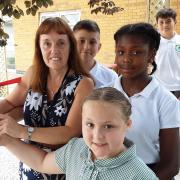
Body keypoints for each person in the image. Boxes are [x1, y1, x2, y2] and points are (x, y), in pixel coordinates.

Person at [0, 17, 94, 179]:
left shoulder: (83, 84)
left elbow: (70, 132)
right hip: (29, 164)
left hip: (62, 169)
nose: (54, 50)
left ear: (71, 46)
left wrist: (22, 131)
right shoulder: (33, 74)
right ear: (39, 47)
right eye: (47, 43)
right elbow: (10, 102)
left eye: (61, 43)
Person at [0, 87, 158, 180]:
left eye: (108, 126)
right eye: (90, 124)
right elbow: (42, 161)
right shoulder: (77, 148)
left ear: (127, 124)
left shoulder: (141, 176)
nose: (97, 136)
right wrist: (7, 141)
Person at [113, 22, 180, 179]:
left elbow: (171, 165)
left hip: (150, 173)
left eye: (136, 52)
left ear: (151, 54)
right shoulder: (106, 94)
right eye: (121, 52)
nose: (127, 59)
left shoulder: (166, 101)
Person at [73, 19, 118, 88]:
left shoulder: (111, 77)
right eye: (81, 41)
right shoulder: (62, 73)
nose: (86, 47)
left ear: (99, 47)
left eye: (92, 42)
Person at [154, 8, 180, 99]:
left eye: (168, 21)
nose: (165, 25)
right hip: (158, 87)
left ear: (175, 22)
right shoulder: (153, 43)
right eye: (161, 22)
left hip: (178, 88)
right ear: (157, 24)